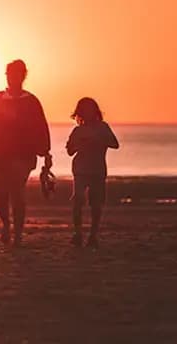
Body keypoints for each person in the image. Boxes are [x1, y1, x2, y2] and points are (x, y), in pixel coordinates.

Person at [0, 60, 52, 246]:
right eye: (10, 74)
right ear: (7, 75)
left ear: (23, 76)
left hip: (23, 155)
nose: (13, 77)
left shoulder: (31, 101)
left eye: (17, 74)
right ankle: (6, 224)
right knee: (0, 195)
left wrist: (46, 153)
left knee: (17, 192)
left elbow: (41, 128)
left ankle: (18, 233)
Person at [66, 97, 119, 248]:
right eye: (84, 110)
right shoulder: (78, 130)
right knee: (78, 200)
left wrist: (100, 140)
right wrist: (79, 144)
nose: (87, 113)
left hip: (97, 169)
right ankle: (78, 233)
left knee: (96, 204)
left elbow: (115, 144)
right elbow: (70, 151)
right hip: (80, 169)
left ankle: (93, 235)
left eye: (90, 109)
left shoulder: (103, 127)